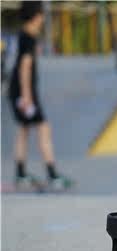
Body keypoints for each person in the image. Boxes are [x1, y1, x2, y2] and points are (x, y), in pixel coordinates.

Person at [9, 1, 69, 191]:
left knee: (24, 128)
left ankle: (20, 173)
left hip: (17, 89)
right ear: (35, 16)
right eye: (41, 15)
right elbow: (25, 66)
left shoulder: (23, 35)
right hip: (24, 90)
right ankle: (52, 174)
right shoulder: (29, 38)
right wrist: (27, 96)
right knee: (44, 128)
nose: (43, 19)